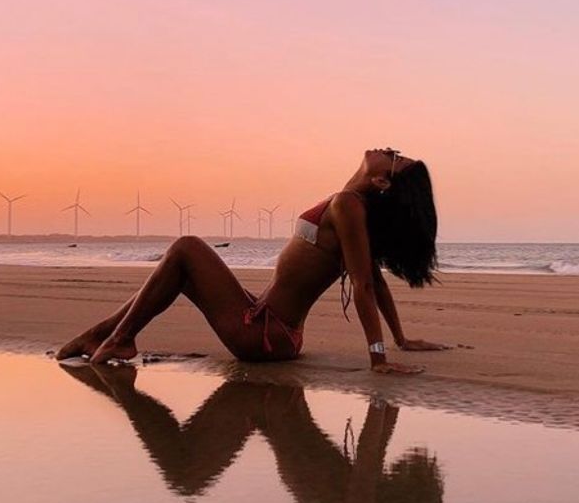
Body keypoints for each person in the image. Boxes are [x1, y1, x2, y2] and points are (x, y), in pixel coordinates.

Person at [55, 148, 449, 375]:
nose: (385, 149)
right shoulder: (348, 206)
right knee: (178, 269)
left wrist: (378, 357)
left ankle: (118, 338)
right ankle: (105, 333)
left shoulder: (349, 205)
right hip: (272, 330)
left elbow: (364, 284)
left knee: (186, 247)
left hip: (264, 333)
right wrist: (399, 339)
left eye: (393, 158)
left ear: (382, 182)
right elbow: (375, 281)